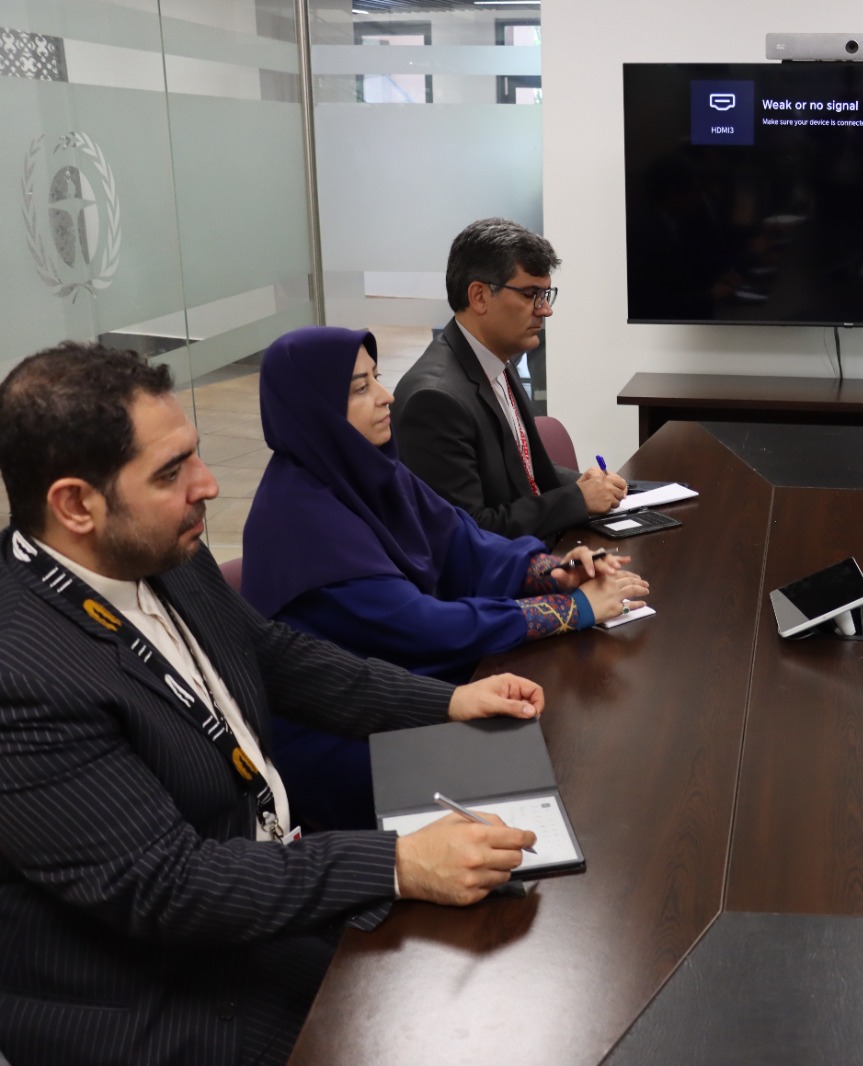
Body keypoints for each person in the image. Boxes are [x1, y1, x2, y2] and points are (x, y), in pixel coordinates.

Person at [0, 342, 548, 1066]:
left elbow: (275, 656)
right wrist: (397, 864)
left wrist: (447, 701)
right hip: (156, 991)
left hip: (256, 895)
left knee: (491, 982)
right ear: (75, 505)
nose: (207, 485)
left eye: (194, 455)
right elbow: (165, 885)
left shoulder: (160, 549)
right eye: (170, 472)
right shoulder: (21, 672)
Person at [242, 326, 649, 830]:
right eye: (361, 388)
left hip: (417, 686)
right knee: (559, 769)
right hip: (347, 736)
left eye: (377, 378)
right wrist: (573, 610)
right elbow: (419, 627)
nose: (387, 396)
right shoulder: (298, 521)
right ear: (314, 408)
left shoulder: (371, 470)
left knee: (571, 738)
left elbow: (464, 543)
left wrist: (554, 572)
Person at [392, 218, 627, 541]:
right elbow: (469, 532)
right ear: (479, 296)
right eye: (531, 294)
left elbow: (523, 473)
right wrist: (577, 499)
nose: (545, 310)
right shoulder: (434, 400)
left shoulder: (495, 358)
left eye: (546, 294)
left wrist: (586, 484)